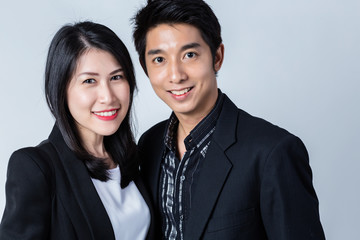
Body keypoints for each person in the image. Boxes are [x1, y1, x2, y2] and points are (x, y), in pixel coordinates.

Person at [132, 0, 325, 239]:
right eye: (159, 60)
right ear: (145, 67)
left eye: (189, 55)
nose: (176, 75)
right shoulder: (149, 144)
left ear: (217, 57)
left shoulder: (273, 152)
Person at [0, 21, 155, 240]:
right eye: (89, 81)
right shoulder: (36, 168)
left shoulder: (137, 158)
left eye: (116, 77)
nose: (108, 96)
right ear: (61, 90)